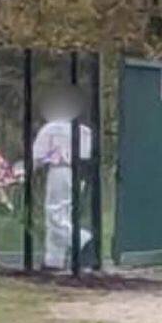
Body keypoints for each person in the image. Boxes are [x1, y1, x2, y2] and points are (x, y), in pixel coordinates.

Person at [32, 88, 93, 269]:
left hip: (60, 171)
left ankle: (84, 240)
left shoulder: (50, 129)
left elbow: (38, 156)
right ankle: (54, 260)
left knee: (55, 214)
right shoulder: (83, 130)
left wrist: (27, 170)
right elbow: (88, 155)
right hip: (78, 173)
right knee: (63, 213)